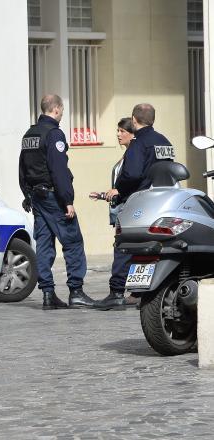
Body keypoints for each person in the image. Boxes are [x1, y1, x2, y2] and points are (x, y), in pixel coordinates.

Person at [93, 104, 174, 309]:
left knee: (125, 244)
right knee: (151, 247)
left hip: (139, 202)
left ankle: (116, 292)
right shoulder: (165, 142)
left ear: (134, 120)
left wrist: (118, 189)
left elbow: (133, 174)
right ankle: (141, 292)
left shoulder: (139, 143)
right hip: (163, 203)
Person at [19, 94, 94, 310]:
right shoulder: (54, 134)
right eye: (62, 110)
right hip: (54, 197)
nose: (62, 114)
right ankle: (76, 292)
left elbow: (22, 168)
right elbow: (59, 170)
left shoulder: (29, 134)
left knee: (44, 244)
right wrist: (67, 200)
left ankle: (48, 294)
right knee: (73, 242)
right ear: (57, 109)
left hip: (37, 197)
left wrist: (27, 194)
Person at [89, 117, 138, 309]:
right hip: (121, 210)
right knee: (128, 250)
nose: (118, 134)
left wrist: (117, 193)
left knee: (123, 249)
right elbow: (121, 188)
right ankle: (135, 292)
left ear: (132, 134)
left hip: (129, 211)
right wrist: (103, 195)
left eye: (122, 131)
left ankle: (118, 292)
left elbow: (131, 184)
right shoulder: (127, 156)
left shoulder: (134, 156)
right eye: (117, 130)